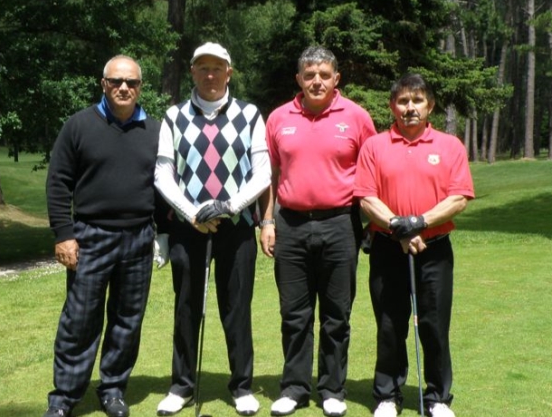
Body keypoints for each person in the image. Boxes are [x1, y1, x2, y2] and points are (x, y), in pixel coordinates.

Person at [258, 46, 377, 417]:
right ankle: (294, 387)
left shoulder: (356, 117)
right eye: (309, 75)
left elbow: (373, 173)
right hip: (290, 224)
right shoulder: (279, 118)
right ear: (299, 79)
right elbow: (270, 177)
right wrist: (267, 221)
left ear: (336, 78)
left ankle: (331, 388)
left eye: (324, 75)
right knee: (294, 314)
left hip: (340, 223)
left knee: (336, 314)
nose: (317, 81)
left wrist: (373, 224)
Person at [154, 42, 271, 416]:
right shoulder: (174, 116)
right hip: (190, 227)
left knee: (236, 307)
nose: (210, 75)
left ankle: (241, 387)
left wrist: (229, 206)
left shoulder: (250, 115)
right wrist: (192, 212)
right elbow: (163, 174)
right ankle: (182, 385)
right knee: (187, 305)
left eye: (217, 68)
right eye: (202, 68)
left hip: (236, 227)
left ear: (229, 72)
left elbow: (263, 173)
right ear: (192, 72)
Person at [44, 55, 164, 417]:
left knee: (128, 320)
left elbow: (164, 187)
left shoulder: (156, 131)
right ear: (103, 84)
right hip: (90, 236)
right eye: (116, 81)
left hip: (139, 237)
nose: (124, 88)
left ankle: (113, 389)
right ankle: (64, 397)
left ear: (141, 87)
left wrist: (166, 234)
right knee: (80, 320)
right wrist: (64, 234)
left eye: (131, 82)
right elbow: (58, 182)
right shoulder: (79, 126)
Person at [353, 74, 474, 417]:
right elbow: (365, 197)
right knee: (390, 325)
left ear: (430, 105)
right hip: (388, 248)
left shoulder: (450, 145)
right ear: (393, 106)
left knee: (435, 326)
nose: (410, 108)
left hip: (434, 249)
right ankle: (387, 395)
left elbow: (459, 197)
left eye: (417, 101)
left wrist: (420, 223)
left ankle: (437, 398)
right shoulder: (374, 145)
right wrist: (398, 227)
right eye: (403, 101)